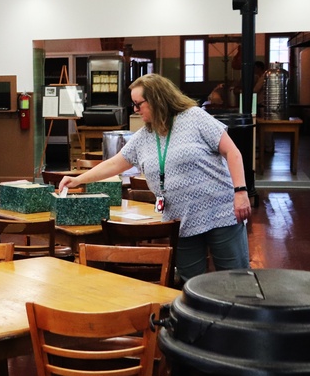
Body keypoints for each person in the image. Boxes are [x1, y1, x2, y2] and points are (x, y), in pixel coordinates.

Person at [59, 73, 251, 282]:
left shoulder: (195, 117)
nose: (135, 109)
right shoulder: (144, 136)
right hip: (181, 221)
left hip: (221, 213)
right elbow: (115, 163)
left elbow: (233, 152)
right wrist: (78, 179)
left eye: (138, 104)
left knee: (236, 279)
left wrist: (240, 192)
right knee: (191, 284)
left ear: (157, 99)